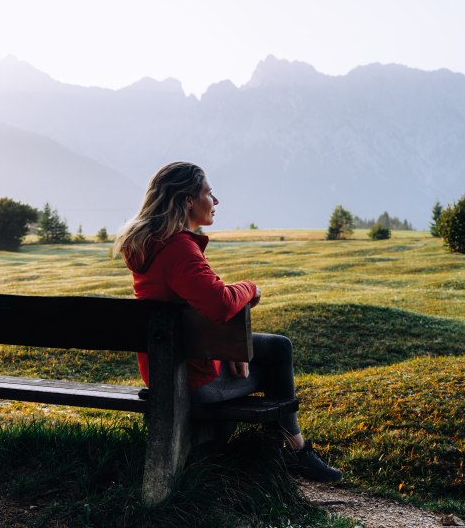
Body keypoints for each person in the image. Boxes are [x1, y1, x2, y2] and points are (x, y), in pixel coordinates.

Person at [114, 161, 342, 482]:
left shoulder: (148, 245)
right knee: (275, 366)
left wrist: (233, 349)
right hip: (191, 380)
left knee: (276, 346)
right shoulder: (178, 248)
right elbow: (220, 303)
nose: (216, 200)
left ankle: (283, 450)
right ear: (188, 200)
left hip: (164, 367)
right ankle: (294, 452)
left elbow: (193, 307)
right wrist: (250, 288)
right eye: (209, 193)